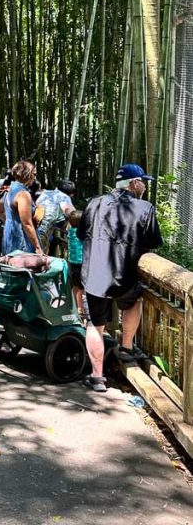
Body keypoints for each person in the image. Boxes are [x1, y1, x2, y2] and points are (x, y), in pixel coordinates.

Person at [77, 163, 163, 393]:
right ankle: (126, 347)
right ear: (134, 183)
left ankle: (97, 377)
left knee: (95, 324)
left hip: (95, 275)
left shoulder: (95, 203)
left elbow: (80, 232)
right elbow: (154, 241)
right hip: (126, 275)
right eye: (143, 182)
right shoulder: (145, 208)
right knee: (133, 303)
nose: (144, 186)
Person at [0, 159, 43, 256]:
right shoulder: (23, 194)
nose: (35, 177)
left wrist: (11, 221)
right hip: (22, 239)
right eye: (34, 174)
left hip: (10, 237)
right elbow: (27, 224)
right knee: (24, 269)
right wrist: (38, 247)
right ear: (27, 174)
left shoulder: (10, 190)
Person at [35, 179, 78, 254]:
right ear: (71, 194)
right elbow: (73, 216)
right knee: (41, 257)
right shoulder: (64, 198)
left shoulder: (46, 193)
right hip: (43, 230)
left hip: (33, 226)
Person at [67, 217, 86, 317]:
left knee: (75, 285)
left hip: (72, 262)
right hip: (80, 262)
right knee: (81, 287)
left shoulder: (69, 231)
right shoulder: (81, 233)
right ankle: (80, 308)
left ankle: (73, 304)